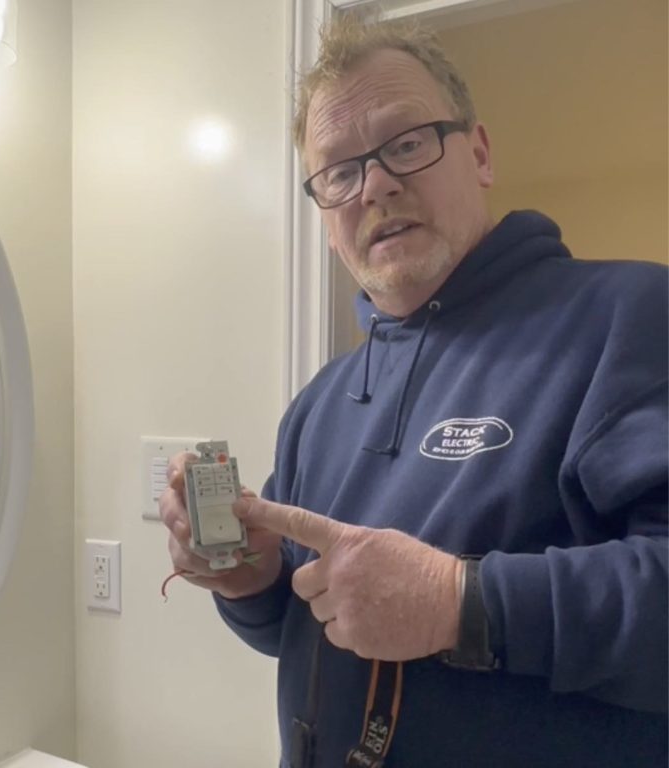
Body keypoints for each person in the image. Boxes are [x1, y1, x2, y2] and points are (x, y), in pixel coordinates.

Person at [160, 13, 668, 767]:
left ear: (481, 153)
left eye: (406, 143)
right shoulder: (319, 404)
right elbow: (301, 628)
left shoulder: (629, 317)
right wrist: (250, 580)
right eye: (340, 170)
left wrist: (462, 603)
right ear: (326, 213)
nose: (378, 185)